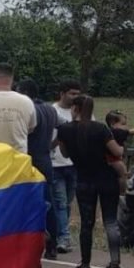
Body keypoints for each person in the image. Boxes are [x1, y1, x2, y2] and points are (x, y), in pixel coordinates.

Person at [56, 95, 124, 268]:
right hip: (106, 178)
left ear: (75, 108)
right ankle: (115, 265)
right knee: (110, 221)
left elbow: (64, 152)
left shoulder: (65, 130)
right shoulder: (100, 128)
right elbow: (117, 151)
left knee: (87, 223)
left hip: (84, 179)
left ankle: (85, 265)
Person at [17, 78, 59, 259]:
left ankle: (29, 242)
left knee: (26, 205)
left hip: (31, 161)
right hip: (46, 160)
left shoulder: (30, 110)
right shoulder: (50, 109)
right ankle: (53, 244)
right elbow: (63, 127)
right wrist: (52, 145)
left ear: (24, 93)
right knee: (49, 204)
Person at [51, 79, 82, 253]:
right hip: (56, 164)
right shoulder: (52, 111)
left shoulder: (83, 112)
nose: (75, 97)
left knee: (68, 203)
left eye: (78, 94)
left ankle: (60, 233)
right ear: (62, 94)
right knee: (60, 202)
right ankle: (63, 237)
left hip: (74, 164)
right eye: (72, 93)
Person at [104, 110, 134, 195]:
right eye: (123, 124)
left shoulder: (109, 131)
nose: (126, 126)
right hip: (113, 158)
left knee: (121, 172)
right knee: (122, 173)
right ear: (113, 124)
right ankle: (122, 192)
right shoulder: (117, 132)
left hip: (111, 157)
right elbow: (131, 132)